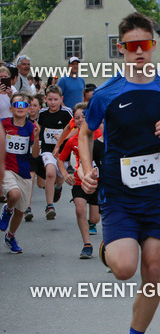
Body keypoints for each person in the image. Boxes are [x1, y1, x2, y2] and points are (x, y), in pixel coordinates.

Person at [78, 12, 160, 334]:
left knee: (153, 270)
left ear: (153, 47)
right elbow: (84, 133)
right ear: (121, 48)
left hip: (157, 191)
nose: (139, 52)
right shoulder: (107, 93)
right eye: (132, 46)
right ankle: (110, 248)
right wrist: (84, 169)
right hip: (118, 192)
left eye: (145, 45)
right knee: (125, 268)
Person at [57, 102, 102, 258]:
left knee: (95, 218)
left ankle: (92, 222)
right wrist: (65, 174)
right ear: (73, 121)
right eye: (77, 118)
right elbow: (60, 160)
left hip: (97, 181)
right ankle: (87, 245)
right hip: (78, 180)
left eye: (84, 116)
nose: (81, 120)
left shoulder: (98, 135)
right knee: (80, 209)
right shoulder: (72, 141)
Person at [0, 93, 40, 253]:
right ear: (11, 108)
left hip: (24, 170)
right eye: (17, 105)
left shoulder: (31, 128)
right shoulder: (3, 124)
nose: (20, 108)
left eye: (24, 105)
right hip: (6, 167)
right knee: (14, 195)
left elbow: (35, 155)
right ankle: (7, 209)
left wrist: (36, 138)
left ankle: (10, 237)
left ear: (30, 109)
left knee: (21, 211)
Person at [36, 85, 73, 219]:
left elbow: (75, 128)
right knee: (50, 173)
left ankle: (58, 188)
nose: (53, 102)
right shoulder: (42, 113)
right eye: (50, 99)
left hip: (63, 152)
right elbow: (38, 128)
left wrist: (63, 137)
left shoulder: (67, 112)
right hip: (47, 150)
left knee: (59, 178)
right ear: (45, 99)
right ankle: (49, 206)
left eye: (56, 99)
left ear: (61, 99)